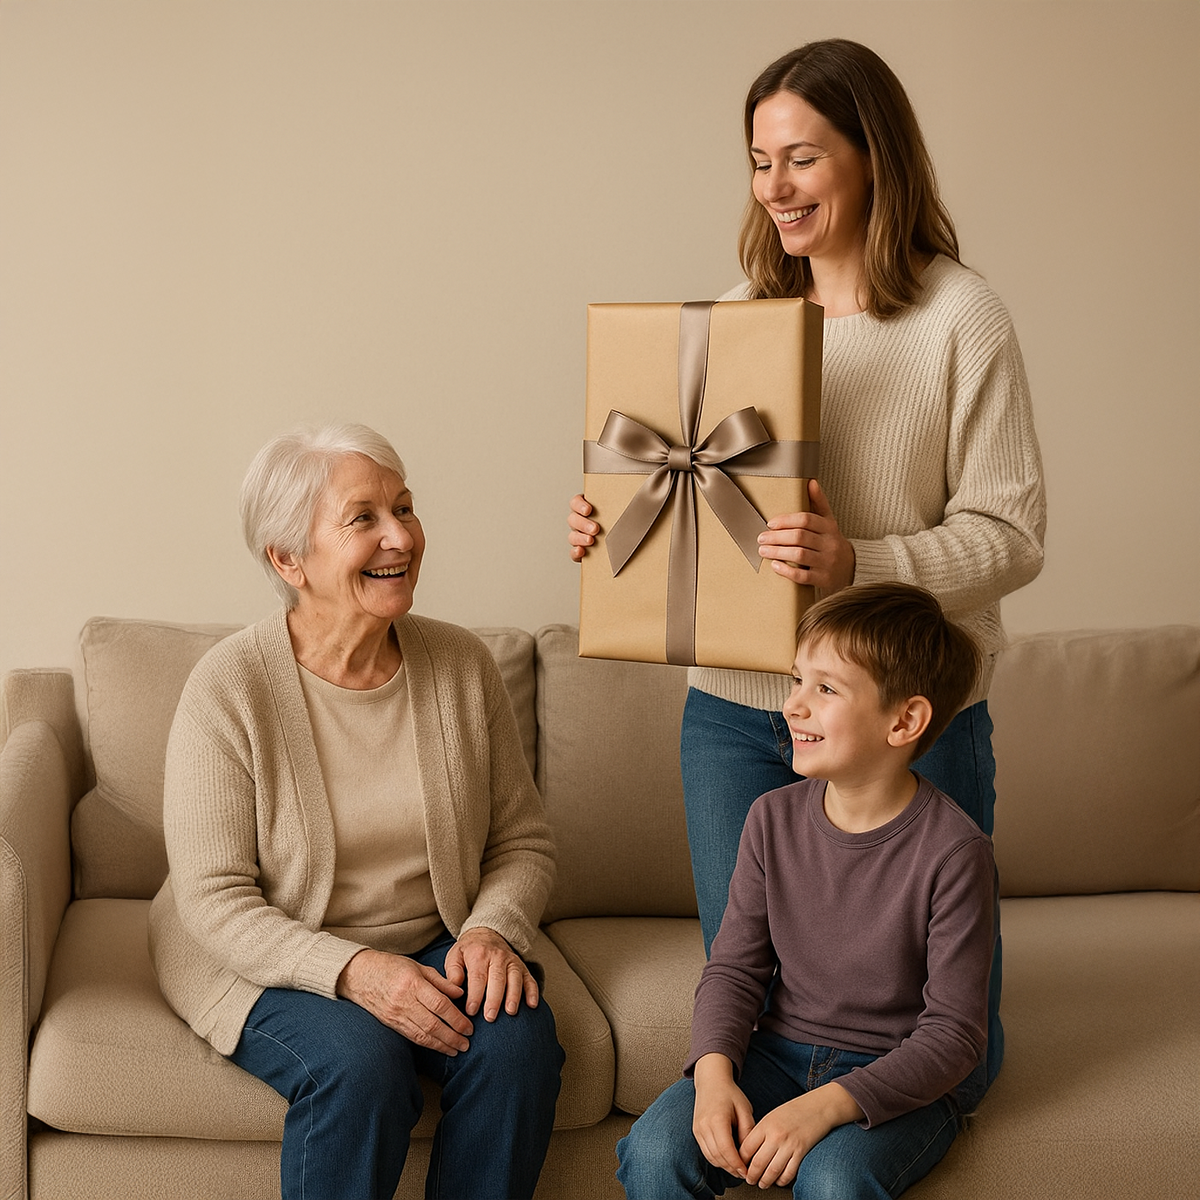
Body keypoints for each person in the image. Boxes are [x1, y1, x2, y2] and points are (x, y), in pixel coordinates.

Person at [569, 38, 1045, 1099]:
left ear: (872, 158)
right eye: (758, 160)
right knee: (753, 1001)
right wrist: (622, 530)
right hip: (738, 711)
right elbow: (697, 508)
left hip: (907, 715)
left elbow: (1012, 536)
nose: (774, 187)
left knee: (944, 1031)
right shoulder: (732, 322)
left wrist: (858, 561)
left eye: (802, 158)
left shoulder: (960, 318)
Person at [149, 423, 563, 1200]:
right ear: (288, 559)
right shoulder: (228, 687)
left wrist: (489, 930)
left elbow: (522, 843)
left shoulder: (462, 666)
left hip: (430, 937)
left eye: (404, 508)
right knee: (361, 1066)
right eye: (363, 518)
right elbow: (215, 900)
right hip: (267, 951)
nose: (400, 536)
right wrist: (353, 972)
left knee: (519, 1048)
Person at [615, 583, 995, 1199]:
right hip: (777, 1054)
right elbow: (734, 970)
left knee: (835, 1179)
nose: (792, 705)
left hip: (892, 1076)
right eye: (797, 680)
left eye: (825, 689)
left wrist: (826, 1107)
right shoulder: (770, 819)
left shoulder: (956, 852)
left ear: (905, 720)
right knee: (657, 1150)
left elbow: (953, 1036)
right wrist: (713, 1076)